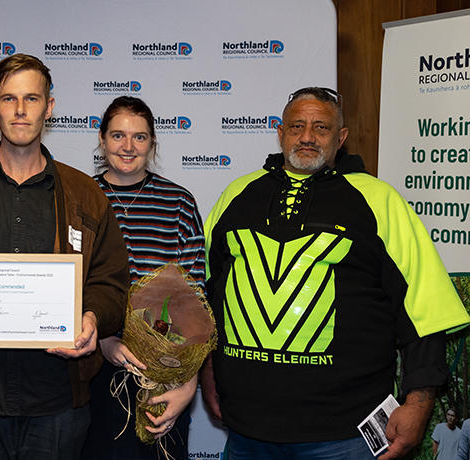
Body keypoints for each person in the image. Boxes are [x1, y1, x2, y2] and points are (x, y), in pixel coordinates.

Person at [201, 87, 470, 459]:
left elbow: (423, 310)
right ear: (280, 133)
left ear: (340, 138)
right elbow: (209, 299)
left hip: (344, 438)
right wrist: (207, 370)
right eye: (297, 126)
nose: (307, 136)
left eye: (321, 127)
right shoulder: (236, 195)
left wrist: (419, 403)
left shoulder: (379, 200)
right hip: (247, 432)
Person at [0, 54, 130, 460]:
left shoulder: (86, 193)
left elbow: (111, 283)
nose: (19, 110)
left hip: (58, 398)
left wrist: (92, 319)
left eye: (31, 98)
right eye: (8, 98)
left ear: (49, 107)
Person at [80, 96, 209, 460]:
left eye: (139, 137)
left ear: (153, 143)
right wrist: (103, 338)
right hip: (93, 364)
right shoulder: (81, 199)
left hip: (165, 370)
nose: (128, 146)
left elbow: (193, 295)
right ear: (102, 139)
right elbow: (67, 284)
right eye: (118, 135)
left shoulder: (178, 203)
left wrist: (186, 379)